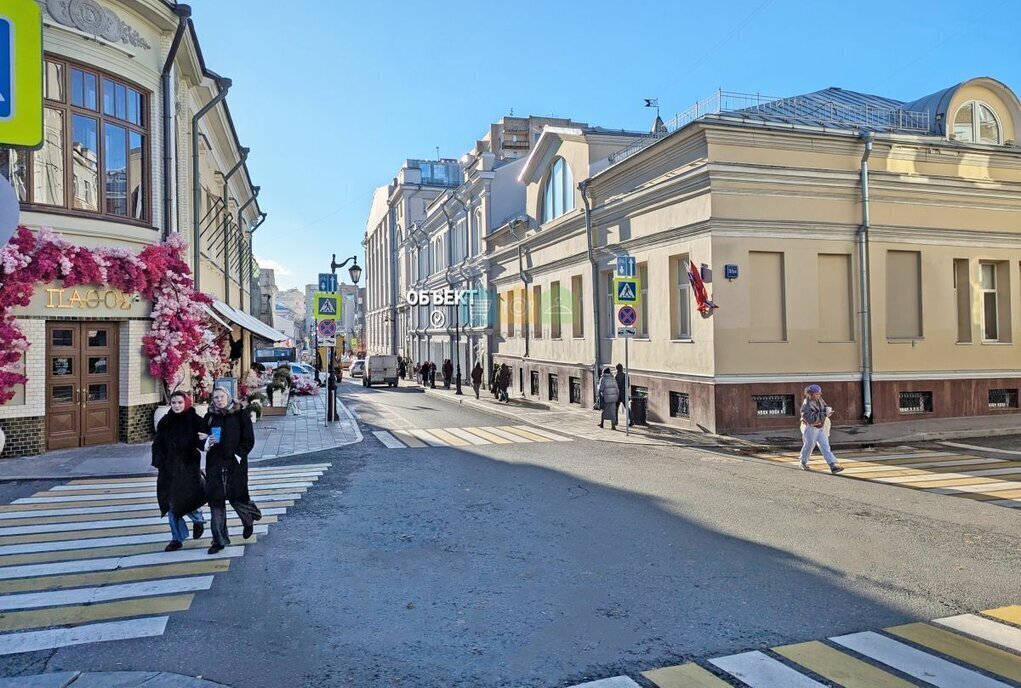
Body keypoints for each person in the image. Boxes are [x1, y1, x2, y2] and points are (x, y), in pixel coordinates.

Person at [201, 387, 262, 554]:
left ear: (228, 397)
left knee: (238, 499)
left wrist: (238, 455)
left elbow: (248, 440)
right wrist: (207, 443)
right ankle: (218, 540)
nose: (219, 400)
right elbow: (199, 438)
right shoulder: (210, 416)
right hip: (214, 464)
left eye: (222, 396)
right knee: (216, 502)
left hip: (236, 464)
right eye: (216, 398)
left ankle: (248, 519)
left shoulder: (241, 414)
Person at [152, 391, 207, 552]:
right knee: (171, 504)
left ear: (186, 403)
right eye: (174, 403)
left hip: (188, 468)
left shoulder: (195, 420)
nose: (176, 406)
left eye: (180, 403)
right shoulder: (165, 421)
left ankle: (198, 520)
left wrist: (207, 444)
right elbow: (158, 444)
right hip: (168, 470)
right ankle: (177, 538)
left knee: (189, 500)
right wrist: (158, 460)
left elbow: (202, 441)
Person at [799, 384, 844, 474]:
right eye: (816, 394)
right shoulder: (807, 404)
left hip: (820, 426)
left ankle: (832, 465)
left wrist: (827, 411)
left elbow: (824, 407)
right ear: (810, 394)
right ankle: (803, 462)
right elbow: (810, 419)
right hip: (810, 428)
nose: (819, 395)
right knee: (809, 446)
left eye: (819, 393)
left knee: (825, 446)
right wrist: (824, 414)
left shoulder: (819, 400)